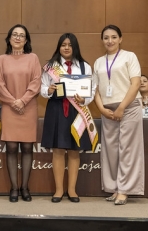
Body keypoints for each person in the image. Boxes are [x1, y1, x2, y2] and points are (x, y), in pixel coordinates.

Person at [41, 33, 97, 203]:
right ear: (59, 47)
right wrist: (48, 91)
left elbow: (92, 89)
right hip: (56, 108)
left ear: (75, 47)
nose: (66, 47)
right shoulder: (51, 66)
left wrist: (85, 99)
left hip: (77, 110)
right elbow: (42, 88)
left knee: (74, 150)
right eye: (63, 44)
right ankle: (58, 191)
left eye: (70, 45)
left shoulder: (85, 66)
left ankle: (72, 190)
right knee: (58, 150)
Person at [94, 25, 144, 205]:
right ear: (102, 40)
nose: (110, 41)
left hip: (129, 107)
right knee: (111, 151)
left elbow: (135, 83)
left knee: (128, 149)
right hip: (108, 110)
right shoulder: (99, 62)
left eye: (114, 37)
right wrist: (101, 109)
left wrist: (122, 107)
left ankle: (125, 189)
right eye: (106, 37)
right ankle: (115, 188)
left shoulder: (129, 56)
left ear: (120, 39)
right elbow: (96, 89)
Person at [0, 24, 41, 202]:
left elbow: (36, 82)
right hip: (9, 107)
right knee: (12, 147)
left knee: (28, 147)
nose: (18, 37)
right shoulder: (1, 59)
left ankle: (25, 187)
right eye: (14, 34)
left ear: (26, 40)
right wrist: (13, 102)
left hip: (28, 107)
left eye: (22, 35)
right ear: (9, 38)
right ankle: (14, 188)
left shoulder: (33, 58)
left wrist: (22, 100)